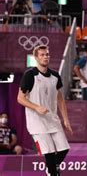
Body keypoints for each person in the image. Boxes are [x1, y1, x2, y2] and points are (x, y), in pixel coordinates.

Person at [17, 45, 72, 176]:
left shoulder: (55, 76)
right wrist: (36, 107)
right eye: (42, 55)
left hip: (52, 119)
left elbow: (61, 99)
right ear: (36, 57)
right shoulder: (30, 75)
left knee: (64, 149)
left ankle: (52, 168)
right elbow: (20, 98)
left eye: (47, 54)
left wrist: (66, 119)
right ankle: (52, 171)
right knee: (50, 154)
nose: (45, 57)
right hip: (37, 122)